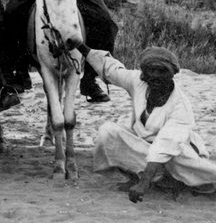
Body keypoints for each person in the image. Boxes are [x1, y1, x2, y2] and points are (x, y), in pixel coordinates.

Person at [68, 40, 216, 202]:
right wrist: (81, 46)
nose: (156, 76)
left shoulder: (180, 107)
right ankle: (141, 177)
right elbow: (112, 70)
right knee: (108, 132)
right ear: (144, 74)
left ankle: (175, 182)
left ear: (172, 74)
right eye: (151, 71)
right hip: (148, 146)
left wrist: (144, 185)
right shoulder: (138, 81)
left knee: (197, 173)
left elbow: (164, 146)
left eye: (162, 71)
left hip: (178, 151)